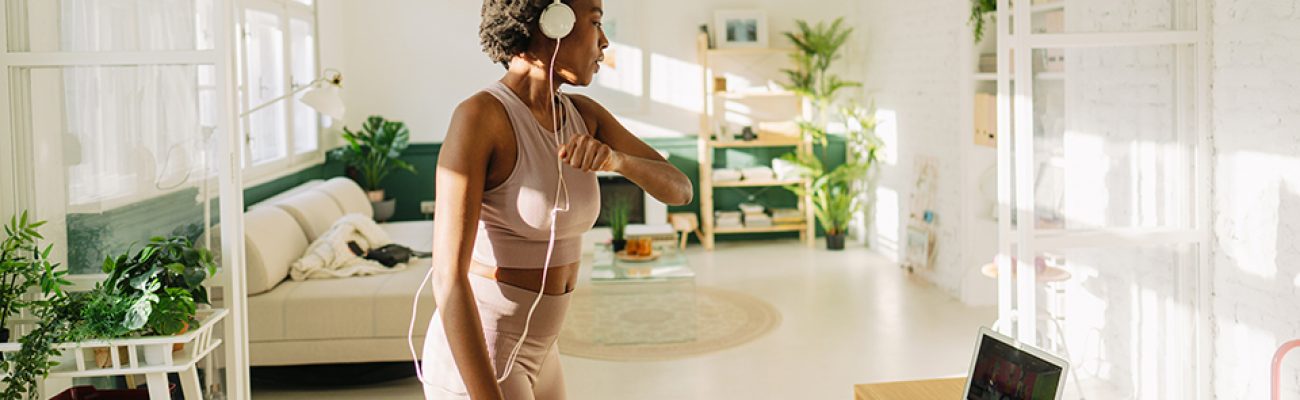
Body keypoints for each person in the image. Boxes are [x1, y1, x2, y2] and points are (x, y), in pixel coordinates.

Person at [419, 0, 693, 398]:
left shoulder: (584, 114)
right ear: (553, 22)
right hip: (484, 353)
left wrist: (617, 160)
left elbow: (680, 189)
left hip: (543, 350)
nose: (604, 41)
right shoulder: (480, 117)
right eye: (596, 22)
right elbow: (447, 279)